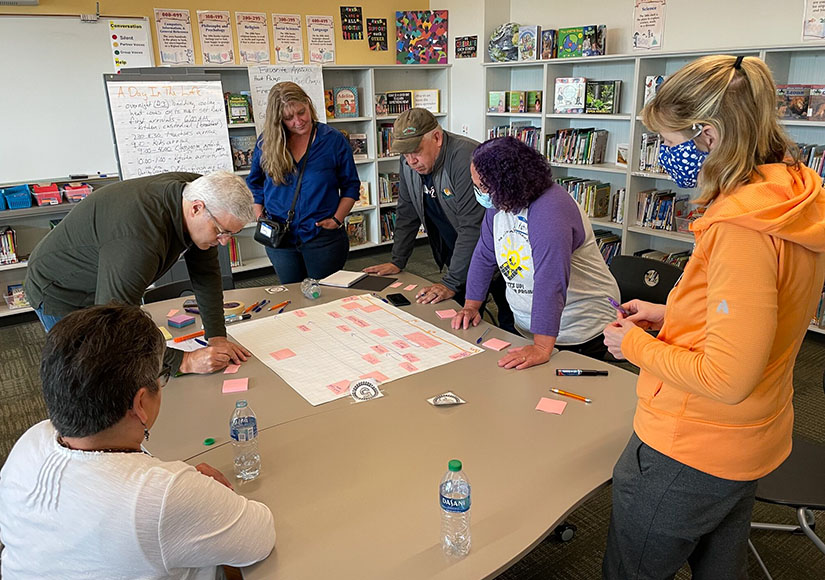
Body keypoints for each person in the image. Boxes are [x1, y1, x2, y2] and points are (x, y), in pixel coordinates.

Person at [601, 55, 825, 579]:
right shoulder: (791, 195)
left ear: (708, 134)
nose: (665, 154)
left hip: (693, 447)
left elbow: (727, 378)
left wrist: (633, 346)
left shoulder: (738, 230)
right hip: (750, 439)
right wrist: (671, 311)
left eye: (671, 139)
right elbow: (767, 314)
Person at [0, 304, 276, 579]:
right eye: (162, 377)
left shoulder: (32, 440)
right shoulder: (162, 495)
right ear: (140, 402)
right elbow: (259, 538)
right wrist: (207, 495)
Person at [24, 171, 254, 375]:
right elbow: (114, 322)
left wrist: (216, 337)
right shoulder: (138, 242)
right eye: (221, 232)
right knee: (86, 369)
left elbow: (206, 273)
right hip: (60, 287)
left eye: (230, 234)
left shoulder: (198, 190)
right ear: (196, 209)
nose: (224, 243)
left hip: (108, 271)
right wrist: (183, 361)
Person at [452, 137, 620, 369]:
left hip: (577, 325)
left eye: (482, 187)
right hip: (534, 325)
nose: (479, 192)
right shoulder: (500, 203)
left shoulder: (551, 209)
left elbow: (551, 281)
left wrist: (541, 347)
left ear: (506, 183)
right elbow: (484, 255)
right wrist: (471, 306)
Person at [363, 108, 514, 330]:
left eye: (415, 151)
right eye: (405, 154)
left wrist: (451, 283)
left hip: (496, 255)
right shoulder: (409, 162)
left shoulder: (466, 158)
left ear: (437, 137)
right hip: (457, 250)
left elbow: (472, 227)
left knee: (509, 317)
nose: (411, 160)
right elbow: (407, 212)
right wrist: (398, 261)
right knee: (463, 321)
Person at [247, 81, 360, 283]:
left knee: (326, 296)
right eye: (289, 118)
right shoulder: (266, 143)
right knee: (292, 296)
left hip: (322, 236)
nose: (298, 121)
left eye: (301, 112)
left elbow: (351, 185)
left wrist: (336, 220)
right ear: (278, 119)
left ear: (308, 104)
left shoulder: (333, 140)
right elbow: (255, 182)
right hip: (279, 237)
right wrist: (259, 215)